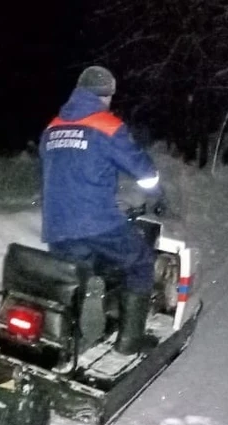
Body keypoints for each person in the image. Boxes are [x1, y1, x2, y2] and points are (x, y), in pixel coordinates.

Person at [39, 65, 164, 355]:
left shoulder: (53, 127)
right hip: (96, 221)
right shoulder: (107, 125)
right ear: (106, 95)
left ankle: (70, 340)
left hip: (57, 225)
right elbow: (142, 170)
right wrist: (157, 193)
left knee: (76, 277)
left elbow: (57, 172)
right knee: (140, 261)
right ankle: (130, 339)